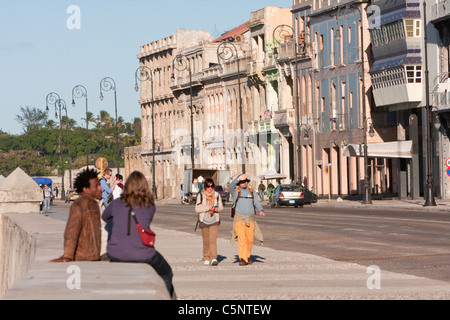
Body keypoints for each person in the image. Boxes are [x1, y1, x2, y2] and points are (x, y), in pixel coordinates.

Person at [102, 171, 175, 299]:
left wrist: (119, 223)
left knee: (112, 222)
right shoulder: (149, 205)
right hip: (143, 253)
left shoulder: (116, 203)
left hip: (116, 252)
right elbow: (146, 222)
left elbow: (104, 216)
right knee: (166, 273)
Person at [49, 168, 103, 263]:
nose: (100, 189)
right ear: (86, 189)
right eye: (96, 186)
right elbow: (71, 232)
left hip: (92, 258)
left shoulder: (93, 204)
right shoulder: (79, 204)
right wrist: (67, 255)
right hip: (82, 259)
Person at [229, 173, 265, 266]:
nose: (244, 183)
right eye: (242, 182)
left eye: (245, 182)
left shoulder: (251, 191)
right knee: (242, 239)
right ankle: (242, 258)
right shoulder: (236, 191)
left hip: (250, 219)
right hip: (239, 219)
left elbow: (256, 202)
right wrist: (238, 178)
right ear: (239, 183)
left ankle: (247, 256)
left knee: (250, 239)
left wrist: (261, 210)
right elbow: (231, 186)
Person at [195, 178, 223, 266]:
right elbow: (197, 209)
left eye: (211, 186)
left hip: (214, 220)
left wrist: (216, 209)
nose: (210, 188)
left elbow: (221, 208)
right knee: (206, 241)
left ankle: (214, 258)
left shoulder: (217, 195)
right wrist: (208, 208)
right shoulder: (201, 195)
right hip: (204, 220)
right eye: (208, 186)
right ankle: (206, 257)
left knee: (213, 240)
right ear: (205, 187)